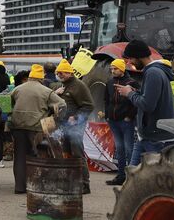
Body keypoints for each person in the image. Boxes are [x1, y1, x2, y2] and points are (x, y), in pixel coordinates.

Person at [114, 39, 174, 165]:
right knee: (133, 176)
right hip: (148, 136)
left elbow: (147, 105)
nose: (129, 63)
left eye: (130, 58)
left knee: (154, 181)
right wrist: (136, 92)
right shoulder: (155, 71)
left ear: (138, 56)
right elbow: (151, 98)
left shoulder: (153, 73)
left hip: (155, 139)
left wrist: (129, 93)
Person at [8, 68, 66, 193]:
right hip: (36, 127)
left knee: (19, 157)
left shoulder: (17, 89)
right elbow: (62, 104)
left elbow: (11, 104)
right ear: (41, 78)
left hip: (17, 126)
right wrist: (53, 115)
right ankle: (35, 186)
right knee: (37, 156)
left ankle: (19, 187)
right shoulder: (46, 91)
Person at [53, 59, 94, 194]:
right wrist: (55, 94)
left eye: (63, 72)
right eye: (58, 72)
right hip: (63, 126)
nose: (60, 74)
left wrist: (76, 117)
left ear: (70, 73)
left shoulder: (79, 86)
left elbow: (88, 105)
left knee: (77, 153)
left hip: (76, 126)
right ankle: (70, 182)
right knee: (66, 153)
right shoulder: (61, 86)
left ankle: (84, 184)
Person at [103, 58, 138, 186]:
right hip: (113, 120)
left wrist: (129, 116)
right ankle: (121, 176)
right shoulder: (109, 82)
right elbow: (106, 100)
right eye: (111, 68)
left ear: (122, 69)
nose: (113, 70)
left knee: (129, 148)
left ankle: (131, 177)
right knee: (119, 149)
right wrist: (107, 115)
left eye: (115, 68)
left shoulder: (132, 83)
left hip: (126, 121)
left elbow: (136, 101)